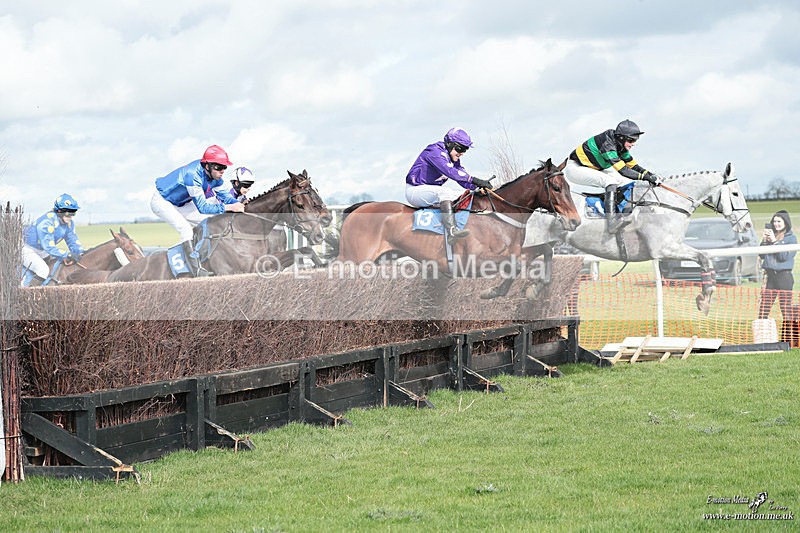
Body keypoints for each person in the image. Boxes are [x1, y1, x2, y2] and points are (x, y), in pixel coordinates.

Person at [150, 145, 245, 276]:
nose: (222, 171)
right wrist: (229, 208)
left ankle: (206, 258)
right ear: (207, 166)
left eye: (224, 167)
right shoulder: (193, 175)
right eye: (219, 167)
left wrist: (239, 204)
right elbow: (203, 207)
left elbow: (226, 197)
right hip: (162, 202)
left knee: (209, 223)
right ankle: (196, 270)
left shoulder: (215, 178)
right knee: (185, 229)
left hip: (181, 203)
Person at [564, 119, 662, 233]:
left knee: (626, 183)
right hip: (576, 168)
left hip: (592, 167)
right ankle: (612, 222)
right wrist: (646, 178)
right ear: (621, 137)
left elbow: (633, 166)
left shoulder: (620, 145)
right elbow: (624, 171)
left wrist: (650, 175)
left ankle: (620, 210)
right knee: (610, 182)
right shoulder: (608, 144)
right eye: (631, 140)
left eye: (635, 140)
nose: (633, 143)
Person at [405, 127, 493, 240]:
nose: (461, 153)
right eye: (460, 149)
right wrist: (475, 179)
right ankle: (451, 231)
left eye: (465, 150)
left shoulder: (452, 158)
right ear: (450, 144)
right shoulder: (434, 152)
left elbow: (462, 177)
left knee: (464, 195)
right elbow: (451, 172)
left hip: (428, 192)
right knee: (446, 192)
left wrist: (478, 186)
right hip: (415, 191)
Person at [21, 193, 86, 285]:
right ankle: (28, 294)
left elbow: (72, 240)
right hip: (25, 248)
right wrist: (68, 255)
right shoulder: (46, 222)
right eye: (68, 213)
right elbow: (49, 248)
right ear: (59, 211)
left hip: (42, 250)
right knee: (42, 270)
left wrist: (81, 252)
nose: (71, 216)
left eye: (73, 213)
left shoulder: (69, 224)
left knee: (58, 264)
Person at [758, 210, 796, 321]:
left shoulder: (791, 239)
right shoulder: (770, 236)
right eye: (774, 221)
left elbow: (783, 257)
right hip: (770, 278)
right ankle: (762, 335)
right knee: (763, 309)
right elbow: (762, 255)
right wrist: (765, 241)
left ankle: (788, 336)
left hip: (784, 277)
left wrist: (774, 241)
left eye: (779, 221)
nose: (776, 224)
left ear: (785, 222)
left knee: (786, 310)